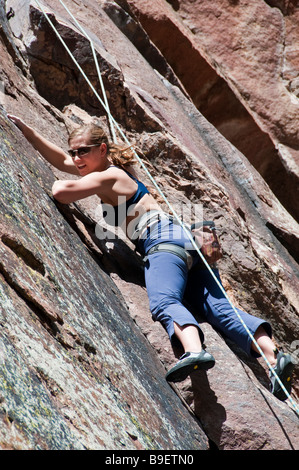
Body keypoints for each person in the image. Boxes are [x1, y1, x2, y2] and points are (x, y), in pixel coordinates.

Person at [7, 114, 295, 400]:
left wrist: (59, 177)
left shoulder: (109, 175)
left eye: (83, 150)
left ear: (102, 149)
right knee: (217, 309)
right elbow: (64, 162)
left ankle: (195, 350)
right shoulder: (113, 172)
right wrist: (28, 132)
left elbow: (60, 191)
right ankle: (272, 356)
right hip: (187, 242)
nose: (77, 157)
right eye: (74, 151)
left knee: (165, 301)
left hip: (162, 241)